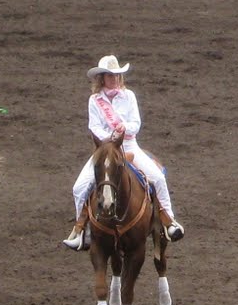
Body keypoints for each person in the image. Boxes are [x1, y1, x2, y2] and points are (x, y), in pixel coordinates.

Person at [63, 55, 184, 250]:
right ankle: (81, 231)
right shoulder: (95, 100)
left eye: (117, 76)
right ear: (102, 78)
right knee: (80, 187)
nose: (115, 79)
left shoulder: (129, 96)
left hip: (129, 145)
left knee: (158, 178)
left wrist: (122, 128)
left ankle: (169, 221)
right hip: (105, 149)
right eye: (111, 76)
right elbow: (93, 127)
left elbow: (135, 123)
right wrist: (110, 137)